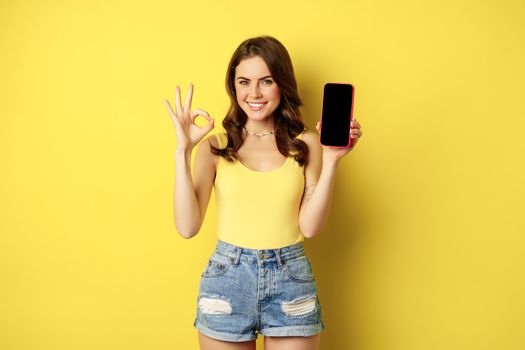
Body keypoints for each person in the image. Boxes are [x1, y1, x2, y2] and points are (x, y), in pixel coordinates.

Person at [164, 35, 362, 350]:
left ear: (282, 84)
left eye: (266, 81)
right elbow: (187, 227)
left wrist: (333, 161)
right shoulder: (215, 146)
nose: (253, 93)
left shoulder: (307, 143)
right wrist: (182, 151)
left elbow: (310, 227)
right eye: (244, 82)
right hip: (227, 280)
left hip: (291, 280)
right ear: (233, 86)